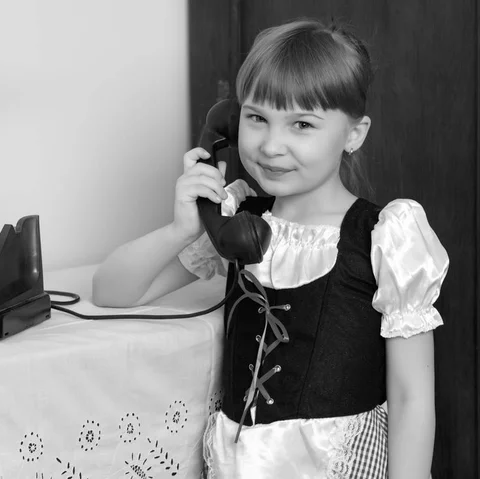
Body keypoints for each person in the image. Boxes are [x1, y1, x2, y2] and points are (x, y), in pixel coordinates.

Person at [92, 18, 449, 479]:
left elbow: (412, 397)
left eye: (302, 124)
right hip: (235, 464)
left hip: (335, 466)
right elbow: (111, 290)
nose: (271, 146)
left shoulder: (386, 236)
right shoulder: (241, 224)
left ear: (355, 133)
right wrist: (182, 228)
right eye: (257, 118)